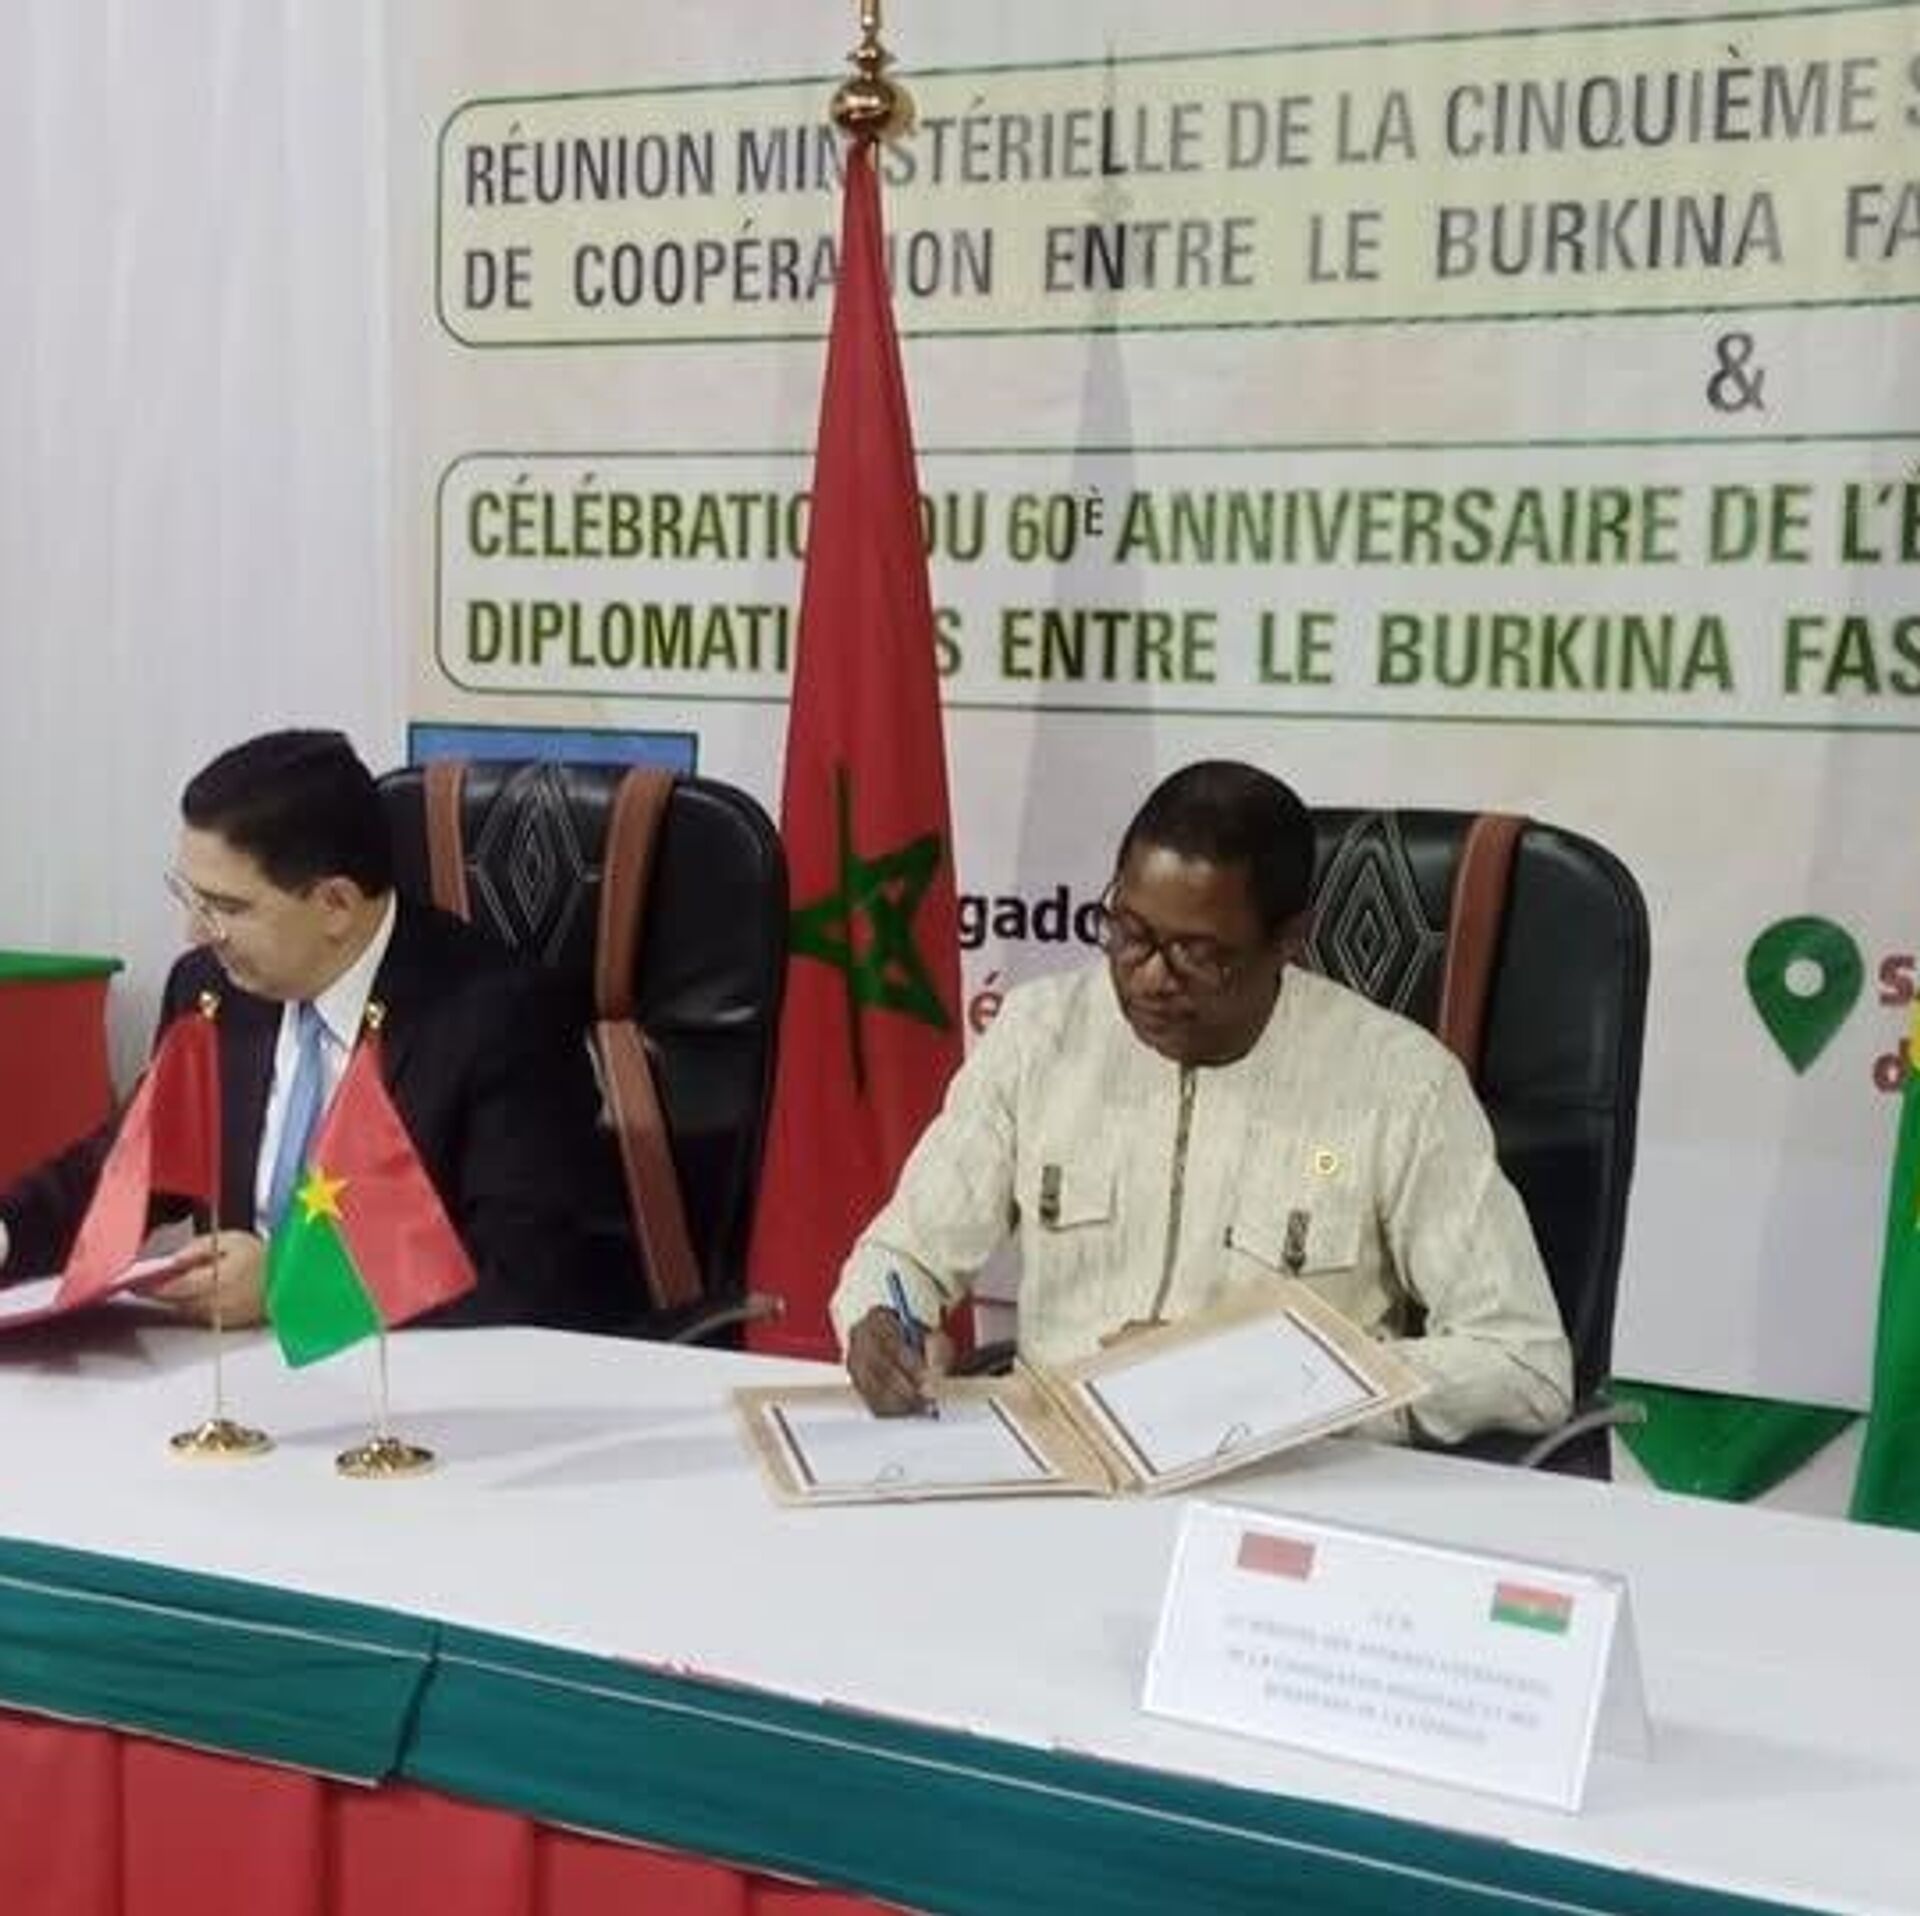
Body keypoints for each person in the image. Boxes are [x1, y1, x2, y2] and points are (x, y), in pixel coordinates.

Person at [832, 760, 1573, 1446]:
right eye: (1130, 933)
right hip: (1061, 1467)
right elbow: (904, 1254)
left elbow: (1524, 1362)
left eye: (1198, 953)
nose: (1150, 977)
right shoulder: (1041, 1035)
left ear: (1288, 940)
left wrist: (1263, 1382)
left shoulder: (1400, 1084)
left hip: (1284, 1478)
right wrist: (881, 1321)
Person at [0, 728, 632, 1332]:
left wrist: (290, 1286)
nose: (196, 934)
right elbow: (130, 1169)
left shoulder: (500, 1018)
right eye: (191, 898)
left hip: (408, 1382)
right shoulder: (210, 988)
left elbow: (520, 1277)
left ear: (336, 905)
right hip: (228, 1372)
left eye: (227, 908)